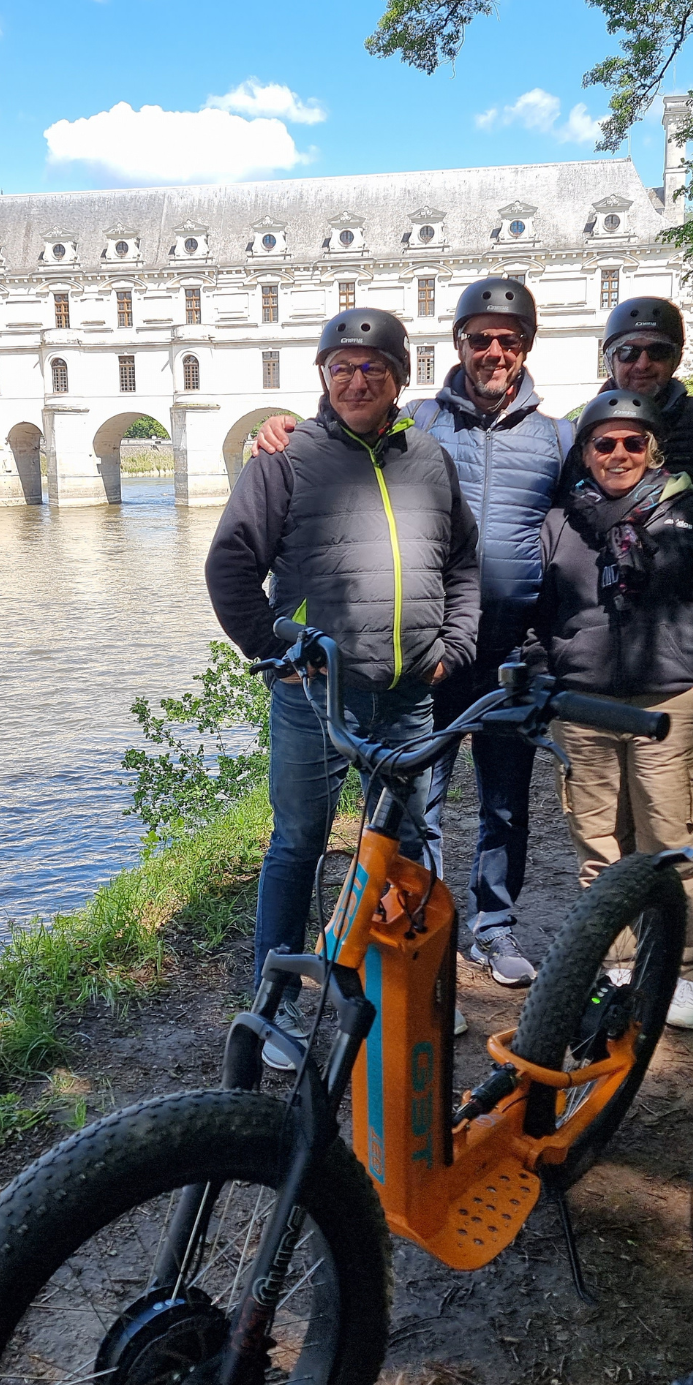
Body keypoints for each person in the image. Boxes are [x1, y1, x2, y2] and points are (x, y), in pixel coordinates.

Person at [253, 277, 573, 989]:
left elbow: (584, 525)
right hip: (418, 655)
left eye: (508, 340)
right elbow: (348, 422)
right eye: (480, 338)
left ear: (525, 348)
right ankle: (394, 964)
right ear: (456, 345)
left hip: (502, 647)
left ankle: (486, 934)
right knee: (411, 818)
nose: (494, 351)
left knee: (500, 803)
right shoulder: (421, 423)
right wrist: (278, 430)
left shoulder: (559, 436)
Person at [205, 306, 481, 1068]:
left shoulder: (428, 457)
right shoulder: (286, 459)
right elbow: (229, 565)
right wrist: (274, 647)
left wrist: (454, 644)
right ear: (323, 377)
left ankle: (417, 987)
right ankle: (276, 1006)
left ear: (400, 378)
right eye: (342, 368)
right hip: (314, 695)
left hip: (407, 693)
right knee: (298, 843)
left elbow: (463, 561)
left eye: (374, 368)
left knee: (414, 842)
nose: (357, 380)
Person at [528, 389, 693, 1030]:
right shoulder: (561, 523)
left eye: (633, 442)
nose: (619, 453)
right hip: (584, 706)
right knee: (601, 845)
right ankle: (620, 962)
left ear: (653, 449)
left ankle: (691, 968)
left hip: (669, 705)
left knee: (673, 843)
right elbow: (534, 615)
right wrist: (547, 682)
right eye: (605, 442)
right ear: (587, 451)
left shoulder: (692, 517)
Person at [583, 296, 693, 567]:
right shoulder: (585, 426)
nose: (642, 364)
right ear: (609, 360)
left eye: (658, 352)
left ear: (676, 359)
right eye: (628, 352)